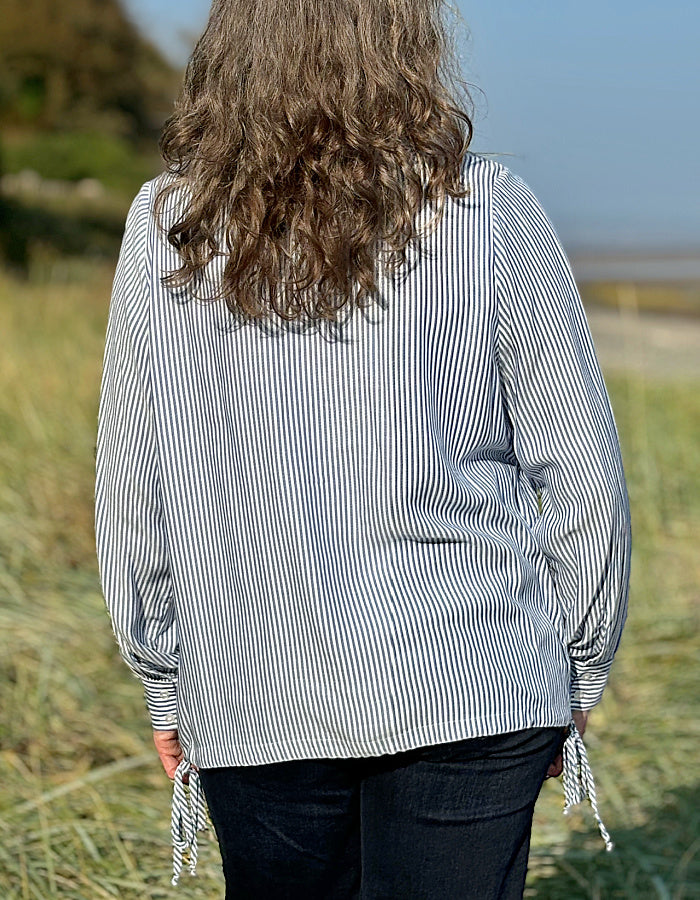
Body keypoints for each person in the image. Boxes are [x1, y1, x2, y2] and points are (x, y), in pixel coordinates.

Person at [94, 0, 632, 896]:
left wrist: (165, 675)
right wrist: (577, 667)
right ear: (406, 48)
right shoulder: (488, 209)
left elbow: (132, 487)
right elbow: (580, 470)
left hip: (251, 679)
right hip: (474, 670)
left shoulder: (166, 224)